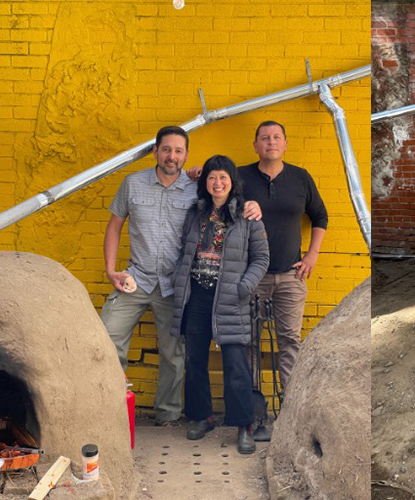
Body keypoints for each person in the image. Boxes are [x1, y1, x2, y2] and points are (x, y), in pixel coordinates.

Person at [101, 126, 261, 426]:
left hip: (175, 285)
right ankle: (108, 411)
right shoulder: (132, 184)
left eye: (178, 151)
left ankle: (168, 413)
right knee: (107, 339)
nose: (171, 156)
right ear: (155, 151)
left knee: (174, 354)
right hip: (135, 277)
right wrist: (111, 271)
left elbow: (226, 199)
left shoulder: (196, 188)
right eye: (166, 149)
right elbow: (114, 226)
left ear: (186, 155)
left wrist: (252, 203)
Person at [170, 155, 269, 454]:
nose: (217, 183)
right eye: (212, 177)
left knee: (236, 365)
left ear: (232, 182)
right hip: (197, 295)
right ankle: (202, 418)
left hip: (231, 297)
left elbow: (262, 259)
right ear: (205, 182)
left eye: (223, 177)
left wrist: (244, 287)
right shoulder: (195, 213)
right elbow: (183, 251)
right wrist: (180, 281)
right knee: (195, 360)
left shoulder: (247, 216)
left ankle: (244, 427)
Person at [239, 121, 328, 440]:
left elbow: (320, 217)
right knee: (249, 343)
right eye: (264, 137)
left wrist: (312, 255)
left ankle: (289, 415)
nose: (271, 142)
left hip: (291, 275)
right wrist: (198, 174)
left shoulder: (300, 177)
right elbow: (215, 203)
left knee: (289, 341)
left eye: (277, 137)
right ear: (256, 145)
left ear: (286, 144)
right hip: (250, 276)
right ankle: (252, 415)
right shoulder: (241, 176)